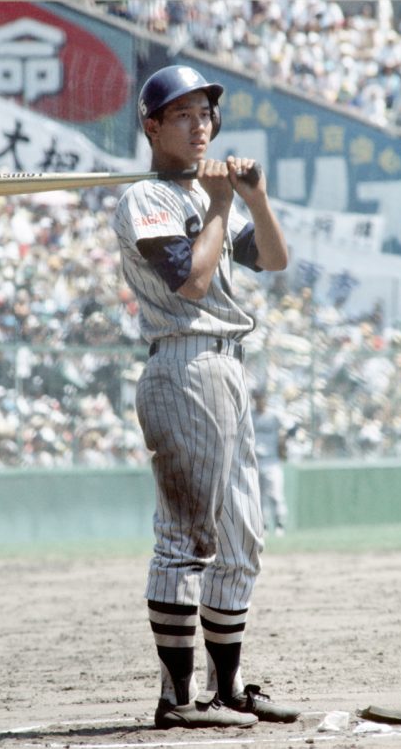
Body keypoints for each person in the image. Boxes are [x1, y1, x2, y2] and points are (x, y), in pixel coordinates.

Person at [114, 65, 299, 730]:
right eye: (184, 115)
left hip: (226, 368)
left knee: (241, 538)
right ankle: (176, 699)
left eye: (206, 115)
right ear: (152, 125)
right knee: (187, 539)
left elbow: (273, 260)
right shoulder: (145, 198)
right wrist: (218, 205)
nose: (201, 126)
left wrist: (254, 199)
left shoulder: (195, 195)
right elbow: (191, 285)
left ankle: (228, 687)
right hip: (181, 364)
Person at [251, 388, 293, 535]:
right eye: (257, 398)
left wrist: (284, 442)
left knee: (275, 494)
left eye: (262, 398)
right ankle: (264, 526)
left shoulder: (274, 416)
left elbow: (290, 428)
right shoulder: (250, 415)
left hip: (272, 461)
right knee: (260, 496)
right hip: (255, 461)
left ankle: (280, 524)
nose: (259, 401)